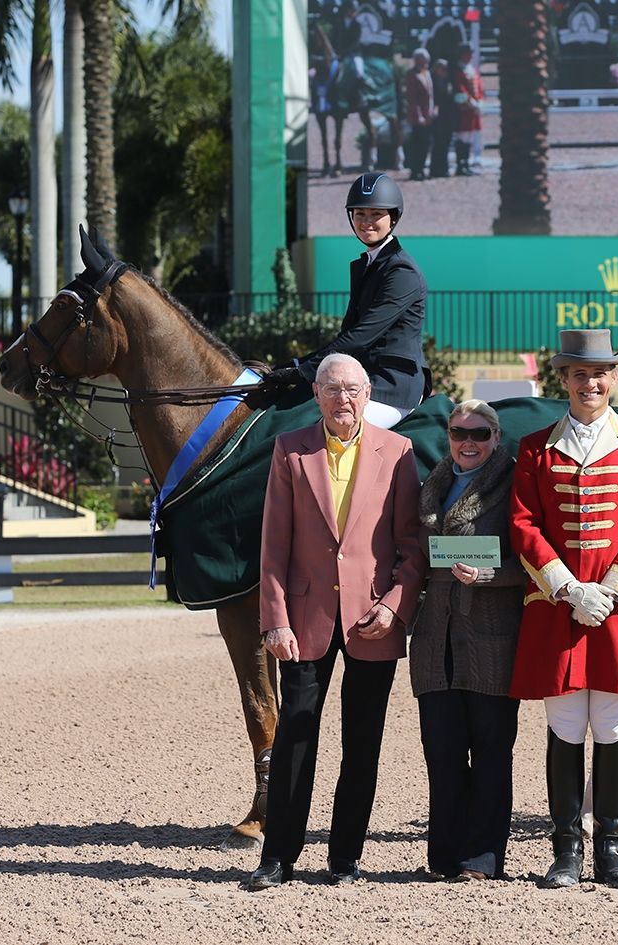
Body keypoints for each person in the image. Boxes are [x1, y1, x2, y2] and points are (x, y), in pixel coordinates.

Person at [246, 353, 425, 890]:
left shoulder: (398, 453)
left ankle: (345, 858)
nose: (343, 399)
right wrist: (274, 619)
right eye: (332, 389)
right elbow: (273, 545)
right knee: (297, 736)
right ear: (317, 395)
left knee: (362, 741)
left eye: (353, 389)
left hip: (373, 618)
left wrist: (395, 604)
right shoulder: (289, 450)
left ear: (367, 395)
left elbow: (412, 546)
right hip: (305, 618)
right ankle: (277, 857)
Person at [509, 329, 618, 890]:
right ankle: (565, 851)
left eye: (600, 373)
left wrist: (611, 591)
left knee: (612, 725)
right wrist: (568, 588)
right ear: (564, 380)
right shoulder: (533, 448)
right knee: (565, 727)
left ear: (614, 378)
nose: (591, 383)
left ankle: (611, 849)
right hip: (558, 608)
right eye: (580, 374)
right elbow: (523, 524)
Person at [410, 400, 524, 881]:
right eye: (459, 433)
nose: (468, 441)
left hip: (492, 636)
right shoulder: (431, 484)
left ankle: (481, 857)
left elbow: (531, 564)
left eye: (479, 433)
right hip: (437, 638)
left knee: (493, 752)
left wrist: (488, 575)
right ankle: (444, 855)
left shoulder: (516, 484)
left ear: (496, 437)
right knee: (442, 752)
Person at [261, 173, 428, 429]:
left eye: (376, 214)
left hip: (391, 386)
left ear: (393, 217)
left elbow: (361, 337)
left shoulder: (401, 272)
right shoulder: (370, 265)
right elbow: (348, 336)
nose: (366, 222)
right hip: (359, 379)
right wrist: (291, 365)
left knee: (330, 425)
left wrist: (303, 371)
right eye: (360, 214)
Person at [451, 43, 484, 176]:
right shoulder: (458, 71)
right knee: (462, 136)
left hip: (473, 109)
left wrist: (480, 100)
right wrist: (470, 101)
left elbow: (479, 87)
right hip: (464, 109)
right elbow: (459, 90)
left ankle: (466, 162)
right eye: (467, 53)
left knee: (470, 136)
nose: (470, 56)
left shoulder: (471, 69)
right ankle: (461, 164)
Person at [404, 49, 436, 181]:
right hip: (418, 116)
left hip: (428, 114)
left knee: (426, 143)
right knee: (417, 143)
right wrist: (419, 116)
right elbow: (412, 98)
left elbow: (431, 95)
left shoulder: (427, 73)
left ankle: (421, 168)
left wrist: (432, 111)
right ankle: (415, 169)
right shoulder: (412, 74)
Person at [429, 58, 455, 178]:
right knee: (438, 143)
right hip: (438, 116)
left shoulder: (447, 81)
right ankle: (435, 169)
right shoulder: (432, 81)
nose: (444, 71)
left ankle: (444, 168)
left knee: (445, 143)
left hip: (447, 116)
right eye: (442, 68)